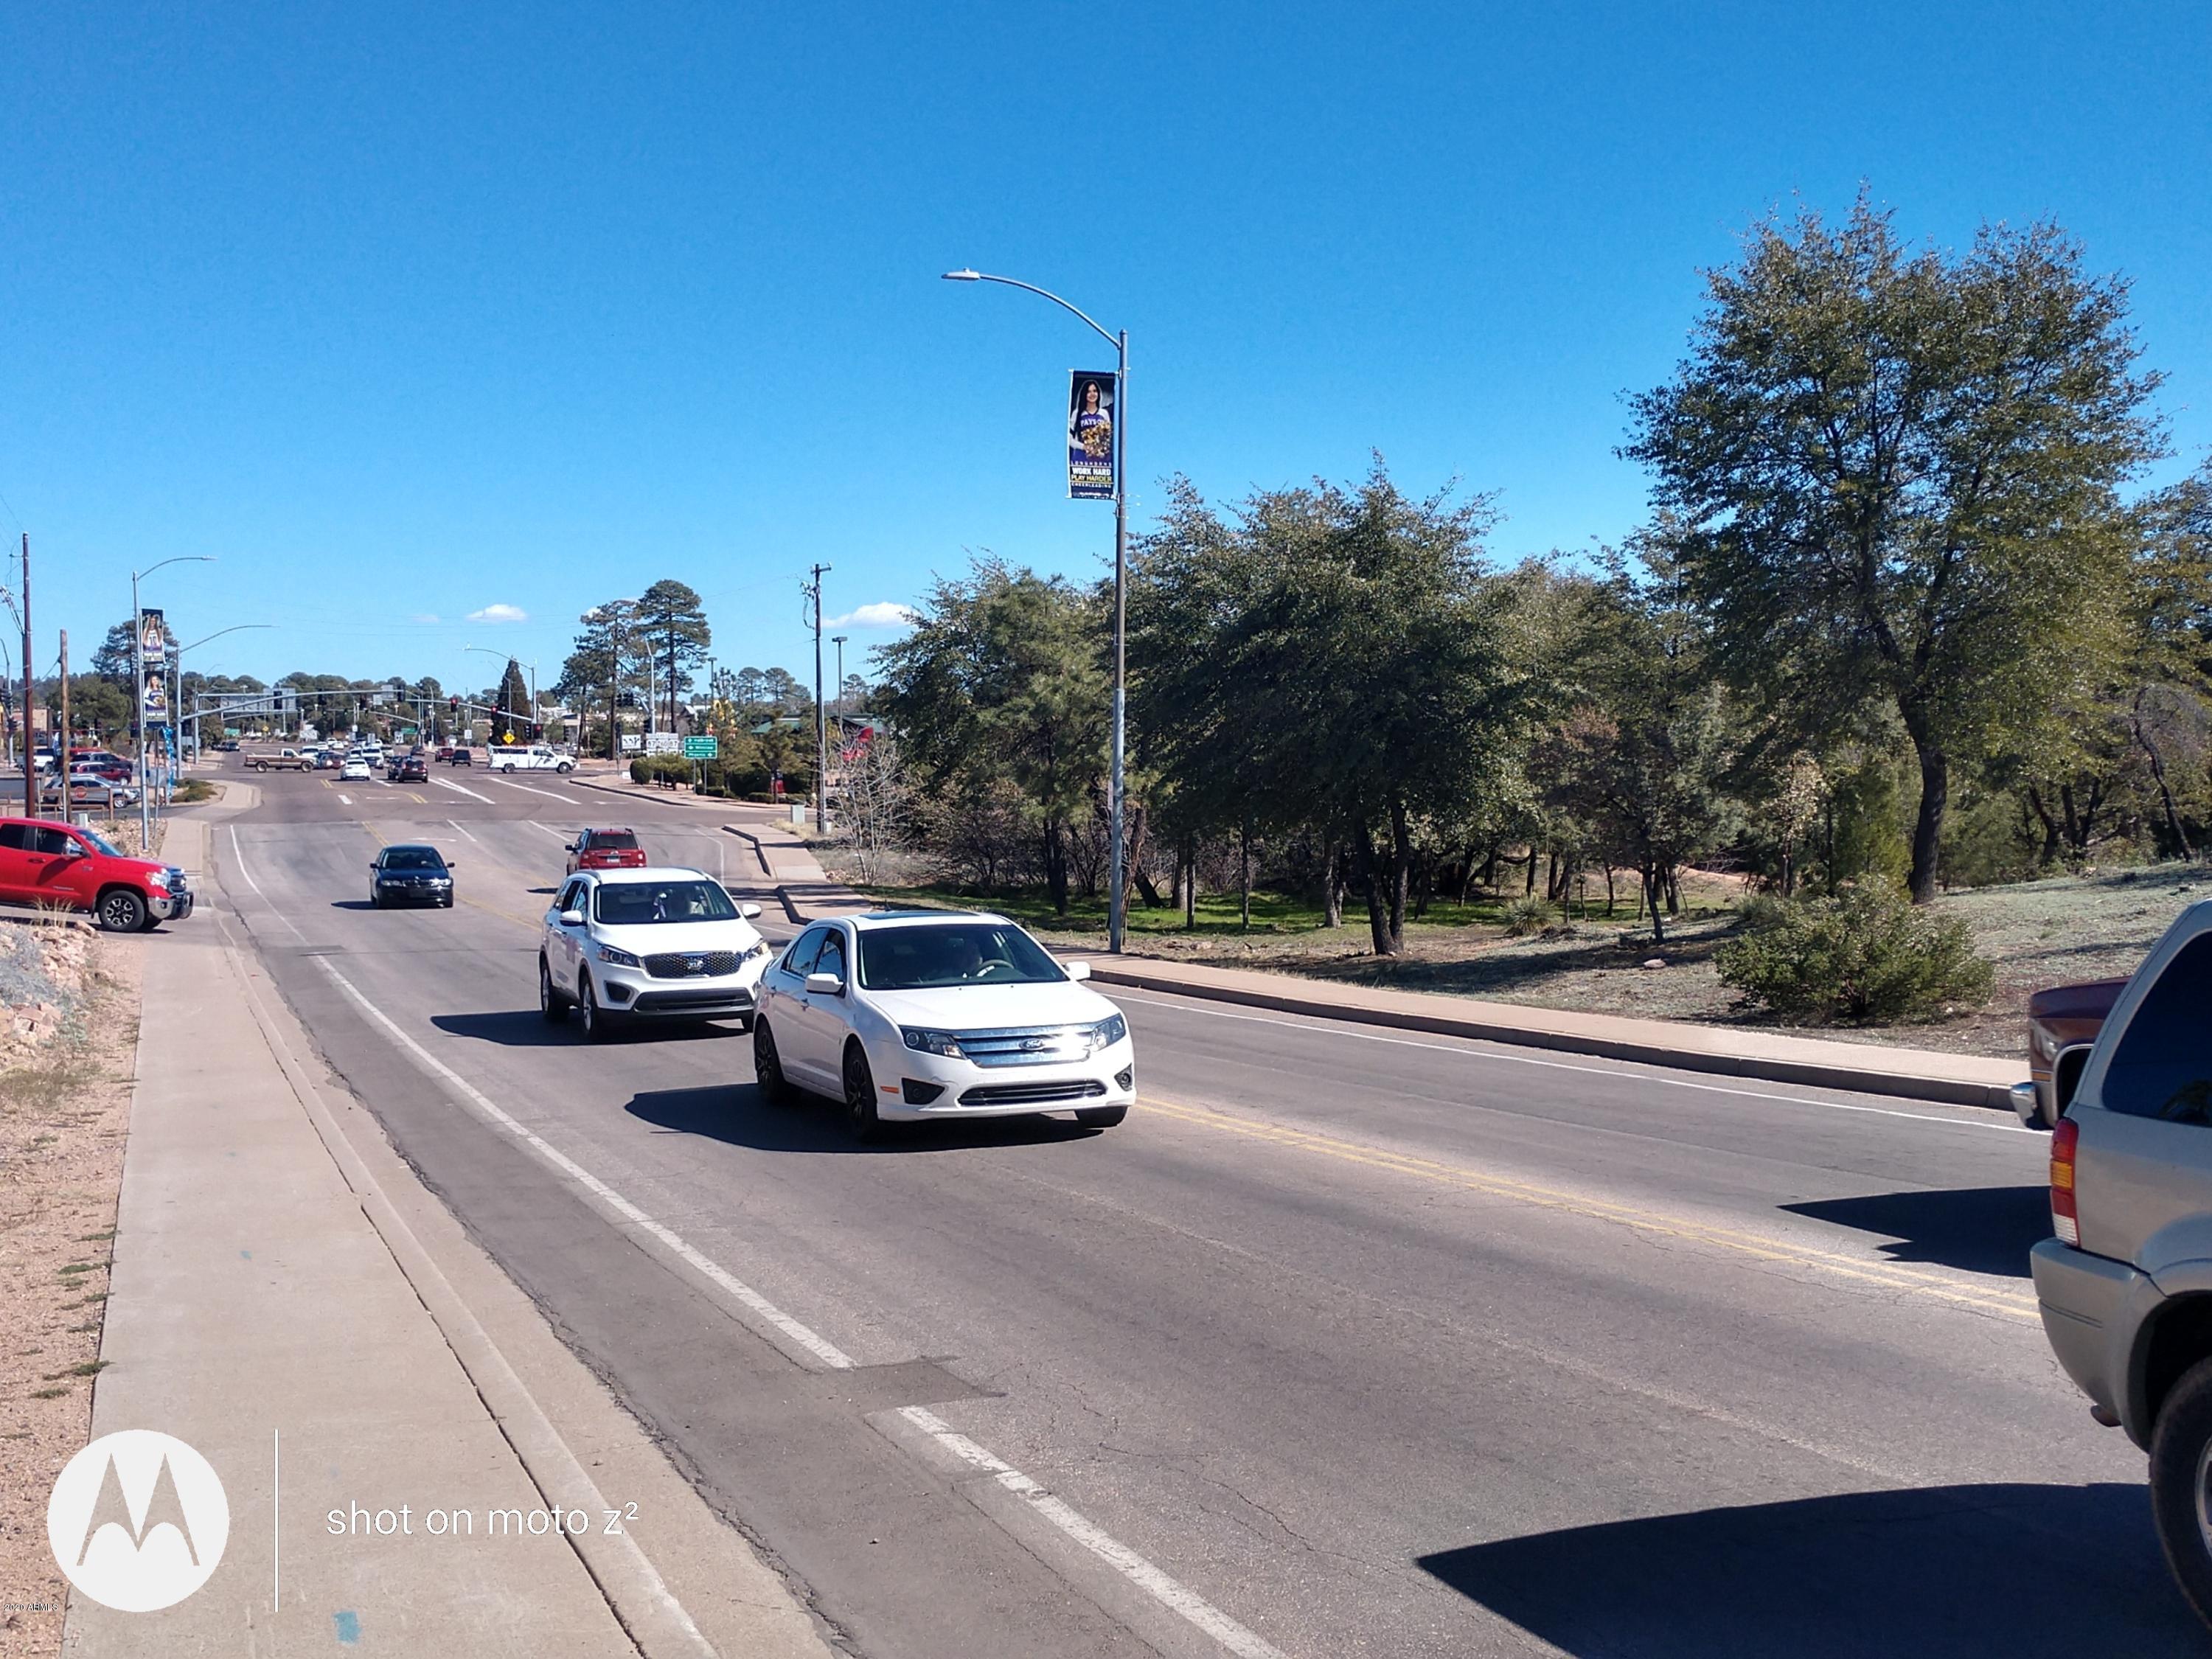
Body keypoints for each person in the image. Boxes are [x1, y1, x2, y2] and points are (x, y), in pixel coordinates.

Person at [1068, 379, 1112, 464]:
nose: (1092, 394)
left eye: (1095, 391)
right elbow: (1069, 439)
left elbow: (1109, 437)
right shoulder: (1077, 413)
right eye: (1089, 392)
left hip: (1100, 459)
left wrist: (1100, 448)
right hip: (1080, 459)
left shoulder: (1104, 413)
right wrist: (1084, 447)